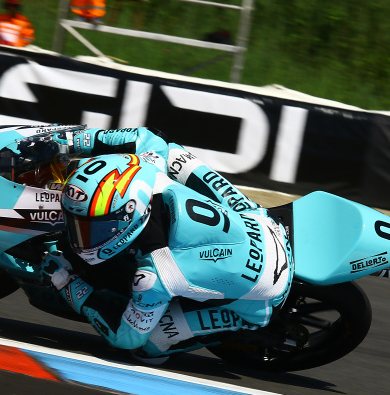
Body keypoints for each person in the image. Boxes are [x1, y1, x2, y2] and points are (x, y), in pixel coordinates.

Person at [39, 127, 293, 362]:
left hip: (266, 292)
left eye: (95, 227)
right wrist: (72, 141)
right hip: (262, 221)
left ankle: (241, 325)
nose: (81, 237)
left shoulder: (156, 275)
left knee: (145, 348)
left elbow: (126, 338)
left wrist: (66, 282)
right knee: (174, 155)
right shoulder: (150, 166)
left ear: (129, 214)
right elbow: (146, 136)